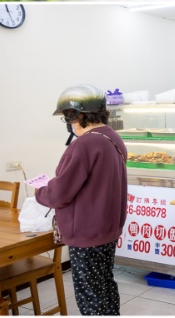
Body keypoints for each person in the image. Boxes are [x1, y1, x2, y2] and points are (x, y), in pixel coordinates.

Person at [35, 85, 128, 316]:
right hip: (108, 229)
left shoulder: (85, 144)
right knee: (105, 286)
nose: (69, 124)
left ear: (74, 115)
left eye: (68, 118)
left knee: (90, 295)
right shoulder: (113, 137)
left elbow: (60, 193)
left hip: (87, 233)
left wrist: (40, 192)